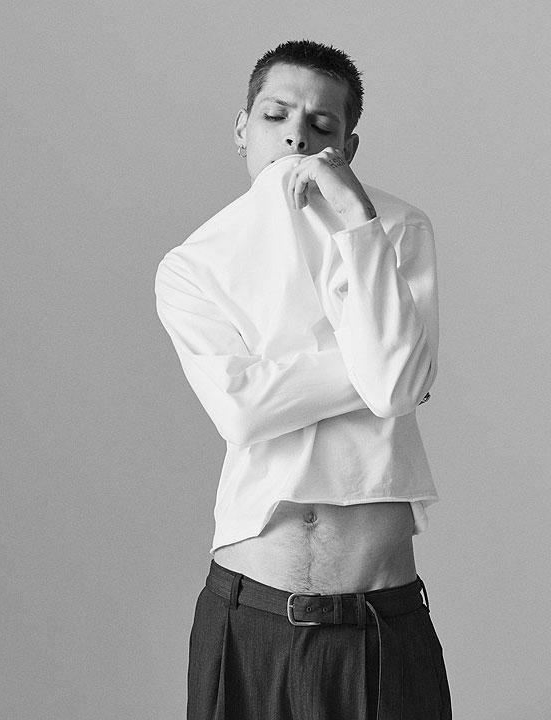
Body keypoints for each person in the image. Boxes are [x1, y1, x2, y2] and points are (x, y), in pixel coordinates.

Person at [155, 39, 452, 720]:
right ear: (242, 128)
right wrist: (375, 364)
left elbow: (396, 387)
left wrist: (357, 223)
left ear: (346, 146)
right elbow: (243, 412)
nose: (295, 136)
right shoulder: (193, 265)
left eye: (321, 124)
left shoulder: (397, 229)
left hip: (380, 620)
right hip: (247, 618)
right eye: (275, 115)